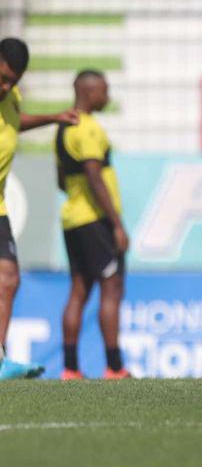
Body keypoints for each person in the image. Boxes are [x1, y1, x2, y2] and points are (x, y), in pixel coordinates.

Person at [0, 37, 79, 380]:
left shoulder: (9, 99)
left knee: (8, 278)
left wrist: (52, 117)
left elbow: (15, 121)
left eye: (13, 81)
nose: (6, 86)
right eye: (2, 77)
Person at [56, 70, 131, 380]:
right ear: (87, 92)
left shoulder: (63, 128)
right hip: (95, 220)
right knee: (111, 288)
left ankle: (71, 368)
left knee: (78, 289)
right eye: (103, 91)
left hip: (72, 217)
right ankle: (114, 367)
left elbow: (60, 179)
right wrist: (116, 224)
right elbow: (93, 174)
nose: (107, 97)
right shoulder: (88, 129)